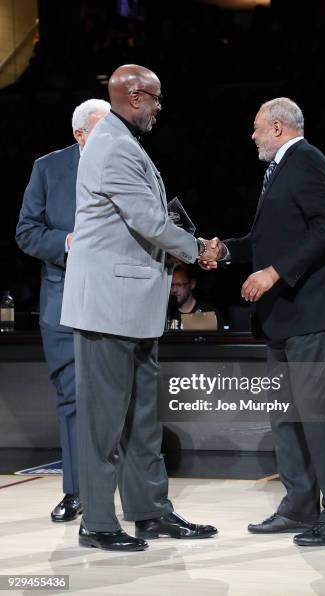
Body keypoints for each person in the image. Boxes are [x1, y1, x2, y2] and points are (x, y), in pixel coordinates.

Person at [60, 64, 219, 552]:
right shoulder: (111, 145)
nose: (158, 108)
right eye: (155, 99)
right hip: (109, 306)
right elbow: (151, 220)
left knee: (141, 421)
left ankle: (151, 513)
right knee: (104, 422)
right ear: (133, 96)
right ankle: (99, 524)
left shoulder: (121, 142)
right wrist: (199, 249)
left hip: (132, 306)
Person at [203, 97, 325, 547]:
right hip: (284, 319)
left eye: (256, 128)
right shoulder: (279, 171)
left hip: (315, 314)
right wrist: (227, 250)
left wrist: (274, 273)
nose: (252, 136)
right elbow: (268, 239)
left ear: (277, 128)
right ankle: (298, 506)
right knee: (287, 418)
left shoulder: (308, 161)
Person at [15, 99, 110, 523]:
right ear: (80, 134)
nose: (112, 138)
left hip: (113, 300)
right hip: (63, 300)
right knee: (71, 400)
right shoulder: (48, 168)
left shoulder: (128, 163)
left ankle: (127, 491)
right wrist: (68, 242)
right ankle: (76, 491)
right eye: (102, 130)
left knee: (116, 397)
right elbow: (27, 232)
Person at [168, 264, 224, 329]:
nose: (174, 290)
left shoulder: (208, 312)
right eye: (172, 285)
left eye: (179, 285)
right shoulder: (166, 312)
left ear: (192, 284)